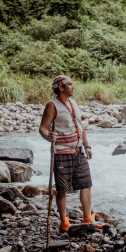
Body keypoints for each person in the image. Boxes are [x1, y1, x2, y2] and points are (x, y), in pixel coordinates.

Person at [39, 75, 96, 232]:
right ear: (61, 88)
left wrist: (87, 146)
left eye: (72, 84)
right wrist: (47, 136)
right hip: (61, 153)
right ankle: (64, 222)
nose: (72, 86)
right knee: (62, 189)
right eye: (69, 84)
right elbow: (43, 128)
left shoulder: (74, 103)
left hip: (78, 151)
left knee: (86, 184)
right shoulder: (52, 105)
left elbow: (80, 126)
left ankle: (87, 218)